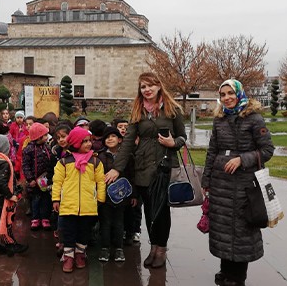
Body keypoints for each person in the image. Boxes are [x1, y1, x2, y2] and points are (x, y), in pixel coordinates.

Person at [106, 72, 187, 269]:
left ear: (159, 86)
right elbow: (126, 143)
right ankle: (153, 247)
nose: (147, 90)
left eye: (150, 85)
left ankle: (161, 249)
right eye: (143, 87)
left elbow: (183, 137)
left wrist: (173, 142)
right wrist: (117, 168)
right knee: (149, 211)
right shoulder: (138, 111)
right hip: (142, 167)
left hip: (164, 166)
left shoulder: (172, 109)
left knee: (161, 211)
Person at [202, 79, 275, 286]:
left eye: (230, 93)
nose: (227, 98)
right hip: (220, 184)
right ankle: (226, 272)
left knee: (241, 231)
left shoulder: (254, 119)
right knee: (223, 229)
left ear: (239, 93)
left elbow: (267, 150)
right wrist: (206, 179)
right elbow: (212, 151)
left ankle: (237, 278)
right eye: (223, 94)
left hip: (244, 186)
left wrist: (242, 159)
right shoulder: (220, 119)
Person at [52, 127, 106, 273]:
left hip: (88, 205)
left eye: (90, 141)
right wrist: (56, 199)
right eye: (85, 141)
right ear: (75, 143)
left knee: (84, 232)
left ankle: (80, 253)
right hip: (68, 205)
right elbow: (57, 182)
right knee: (68, 232)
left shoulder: (95, 162)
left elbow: (100, 181)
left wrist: (100, 198)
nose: (89, 144)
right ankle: (68, 256)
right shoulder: (64, 162)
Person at [0, 135, 29, 256]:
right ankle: (8, 244)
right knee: (3, 221)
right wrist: (9, 195)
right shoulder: (3, 163)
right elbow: (2, 182)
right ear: (4, 147)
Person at [97, 126, 133, 263]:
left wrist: (133, 195)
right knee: (105, 222)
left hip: (122, 196)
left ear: (120, 139)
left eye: (113, 136)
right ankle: (105, 248)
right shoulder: (100, 157)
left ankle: (119, 248)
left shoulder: (127, 157)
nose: (110, 139)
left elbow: (131, 175)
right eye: (107, 137)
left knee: (119, 222)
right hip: (105, 197)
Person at [22, 123, 54, 231]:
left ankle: (45, 218)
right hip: (34, 181)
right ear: (38, 136)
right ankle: (35, 218)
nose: (47, 137)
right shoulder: (29, 149)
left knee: (46, 199)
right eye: (45, 135)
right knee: (35, 200)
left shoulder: (47, 147)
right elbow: (25, 165)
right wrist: (30, 179)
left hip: (45, 180)